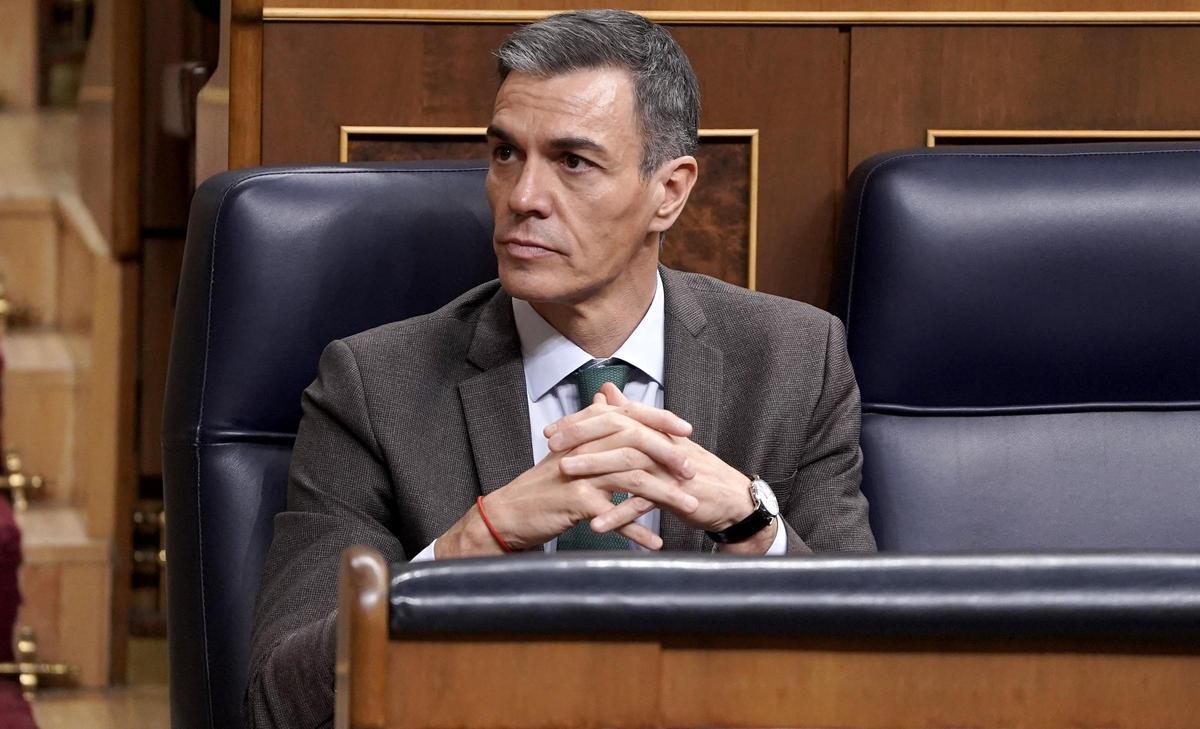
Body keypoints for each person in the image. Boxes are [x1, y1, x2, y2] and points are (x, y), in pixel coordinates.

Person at [246, 9, 875, 728]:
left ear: (669, 192)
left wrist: (753, 527)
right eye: (506, 154)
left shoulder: (794, 360)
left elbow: (873, 675)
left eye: (572, 162)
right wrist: (473, 543)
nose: (522, 198)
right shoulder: (373, 385)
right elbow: (278, 703)